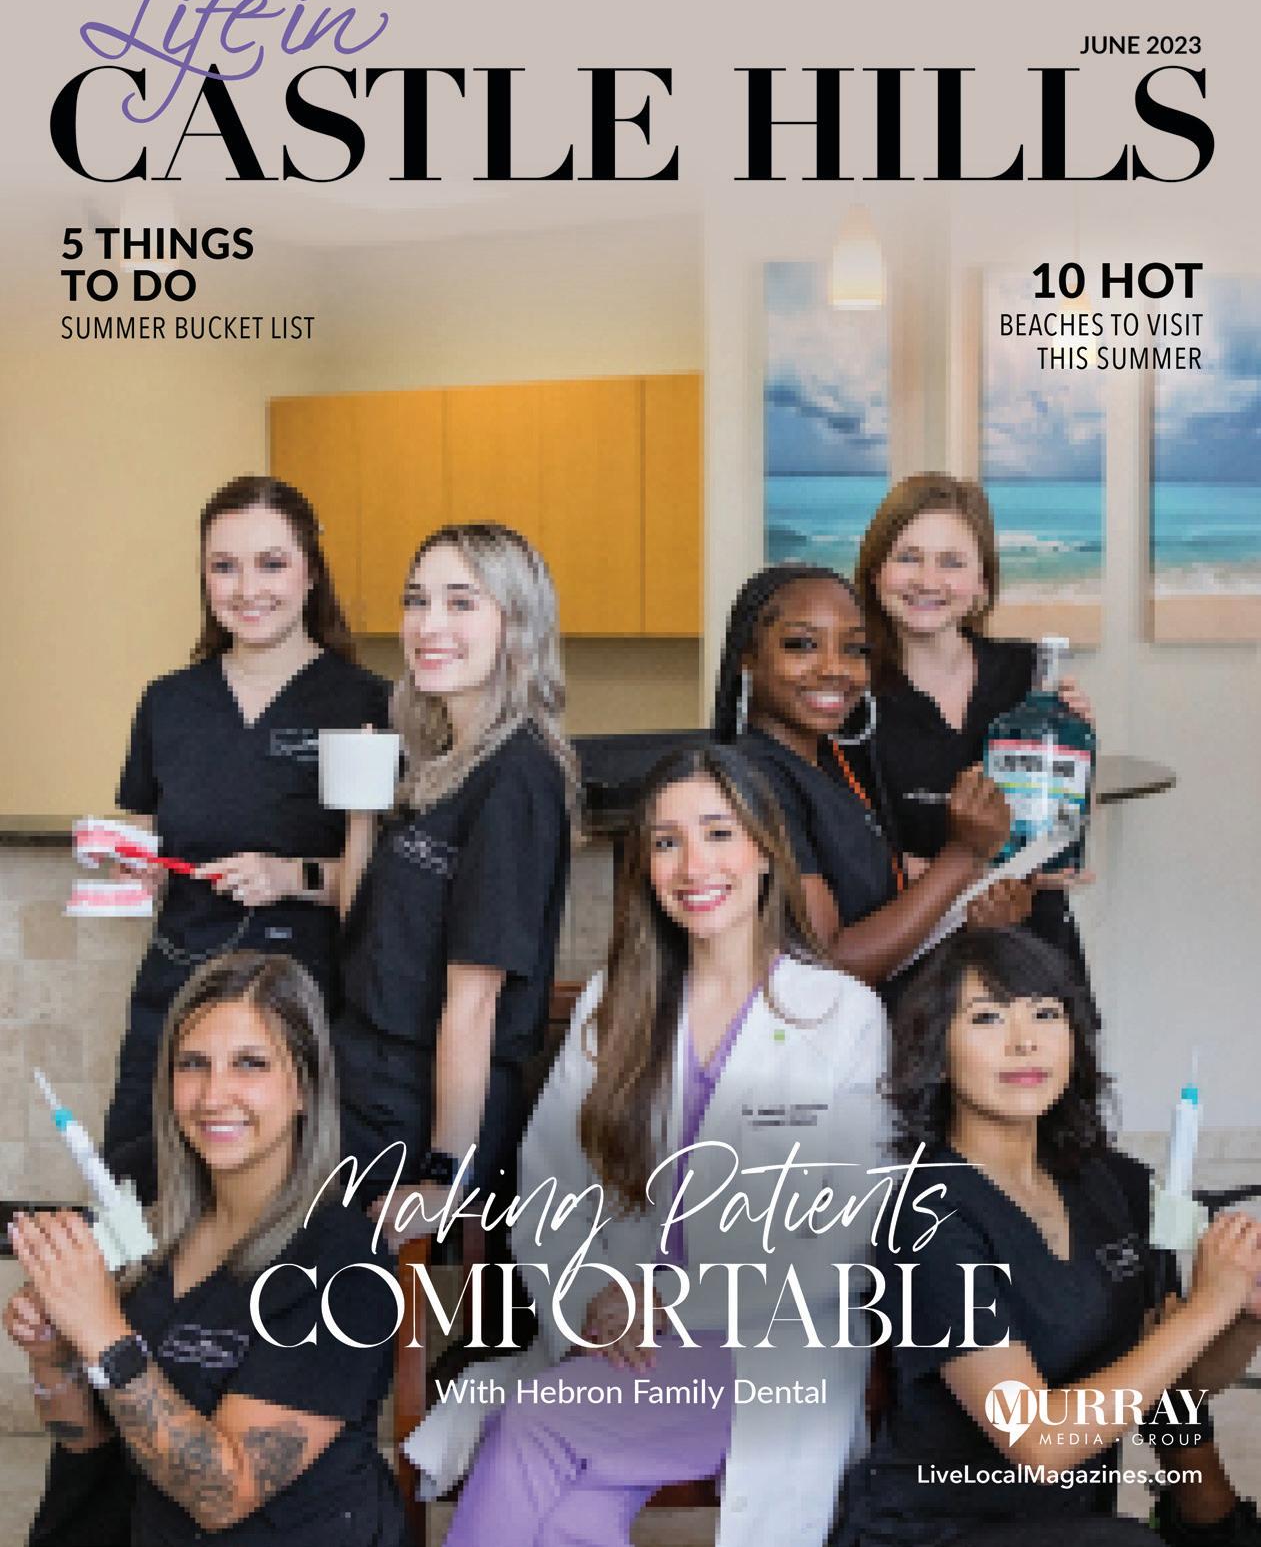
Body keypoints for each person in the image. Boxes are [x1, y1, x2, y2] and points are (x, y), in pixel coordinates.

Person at [404, 742, 889, 1547]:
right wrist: (593, 1297)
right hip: (618, 1340)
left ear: (765, 850)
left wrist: (667, 1302)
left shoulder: (840, 1016)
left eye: (718, 833)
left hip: (762, 1344)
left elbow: (844, 1231)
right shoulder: (615, 1004)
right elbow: (549, 1186)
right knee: (572, 1514)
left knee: (532, 1429)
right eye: (666, 841)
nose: (693, 865)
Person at [837, 926, 1261, 1547]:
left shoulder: (1113, 1184)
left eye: (1046, 1014)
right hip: (935, 1531)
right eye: (987, 1018)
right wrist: (1206, 1310)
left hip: (1070, 1528)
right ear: (936, 1052)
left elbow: (1178, 1381)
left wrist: (1243, 1311)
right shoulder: (928, 1214)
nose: (1024, 1041)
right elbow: (1037, 1441)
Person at [5, 952, 407, 1547]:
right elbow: (87, 1438)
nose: (214, 1095)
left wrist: (100, 1328)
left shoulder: (347, 1266)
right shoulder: (151, 1220)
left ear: (304, 1087)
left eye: (250, 1064)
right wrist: (53, 1353)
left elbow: (223, 1495)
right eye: (193, 1064)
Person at [104, 474, 390, 1161]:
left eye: (271, 563)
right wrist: (134, 866)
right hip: (180, 989)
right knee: (139, 1183)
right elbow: (148, 831)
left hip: (306, 996)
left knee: (288, 1193)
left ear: (310, 573)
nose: (246, 588)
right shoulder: (169, 704)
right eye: (224, 566)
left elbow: (389, 884)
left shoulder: (369, 705)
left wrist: (291, 876)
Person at [334, 522, 578, 1212]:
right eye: (416, 600)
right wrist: (360, 812)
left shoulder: (517, 776)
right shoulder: (439, 764)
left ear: (516, 624)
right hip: (365, 1088)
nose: (428, 624)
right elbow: (360, 931)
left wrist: (446, 1175)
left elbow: (475, 1003)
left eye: (461, 602)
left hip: (424, 1115)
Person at [714, 563, 1023, 992]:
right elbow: (829, 962)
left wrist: (972, 912)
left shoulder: (830, 764)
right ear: (747, 657)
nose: (835, 668)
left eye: (855, 649)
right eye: (802, 645)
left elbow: (872, 909)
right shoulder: (753, 779)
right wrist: (962, 855)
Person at [853, 472, 1094, 981]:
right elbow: (846, 859)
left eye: (952, 562)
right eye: (908, 557)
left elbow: (1054, 823)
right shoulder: (848, 698)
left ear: (982, 584)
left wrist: (1078, 746)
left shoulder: (1030, 677)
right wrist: (982, 879)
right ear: (875, 572)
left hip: (1031, 956)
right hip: (908, 966)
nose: (928, 580)